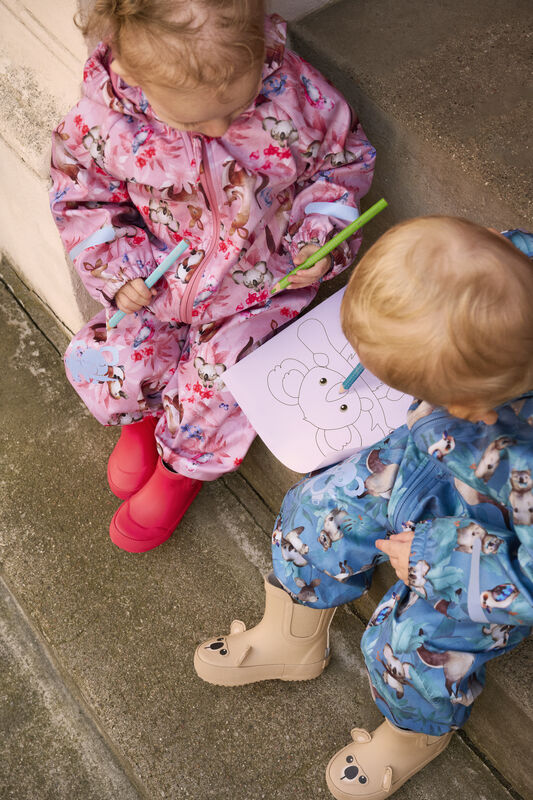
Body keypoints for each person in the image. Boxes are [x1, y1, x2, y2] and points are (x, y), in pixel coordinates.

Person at [194, 218, 533, 799]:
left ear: (475, 401)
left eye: (428, 391)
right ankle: (294, 634)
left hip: (486, 551)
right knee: (316, 508)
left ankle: (413, 731)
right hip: (422, 463)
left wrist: (436, 559)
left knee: (416, 643)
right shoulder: (502, 280)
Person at [49, 0, 375, 553]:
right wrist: (119, 269)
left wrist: (320, 239)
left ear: (259, 46)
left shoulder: (298, 98)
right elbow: (82, 195)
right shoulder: (104, 123)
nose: (221, 128)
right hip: (158, 277)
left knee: (225, 382)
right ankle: (139, 421)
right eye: (196, 119)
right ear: (133, 76)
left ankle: (181, 472)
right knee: (120, 356)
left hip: (263, 283)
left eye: (237, 104)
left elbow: (340, 165)